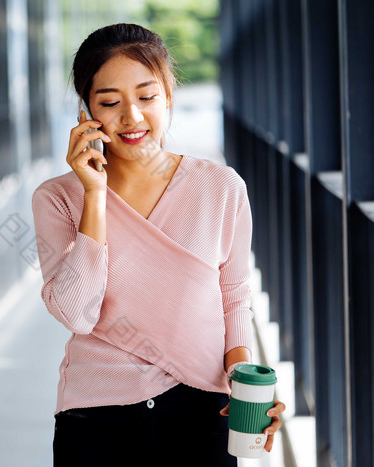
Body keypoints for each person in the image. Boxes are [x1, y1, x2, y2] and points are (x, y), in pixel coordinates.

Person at [31, 23, 285, 466]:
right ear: (86, 111)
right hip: (95, 418)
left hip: (203, 411)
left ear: (168, 94)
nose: (131, 116)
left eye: (146, 97)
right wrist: (95, 194)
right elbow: (76, 312)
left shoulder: (221, 188)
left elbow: (233, 297)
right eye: (110, 102)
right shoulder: (58, 199)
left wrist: (247, 384)